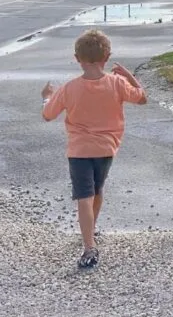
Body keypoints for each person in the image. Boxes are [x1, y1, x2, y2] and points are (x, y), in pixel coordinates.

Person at [41, 29, 147, 268]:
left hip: (79, 151)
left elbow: (48, 115)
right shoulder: (118, 83)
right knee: (96, 192)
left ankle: (89, 246)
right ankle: (90, 231)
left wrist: (47, 97)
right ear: (106, 57)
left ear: (77, 58)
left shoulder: (68, 88)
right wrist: (130, 76)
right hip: (107, 149)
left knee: (84, 197)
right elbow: (142, 98)